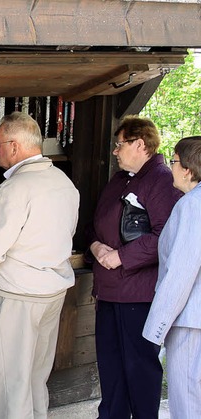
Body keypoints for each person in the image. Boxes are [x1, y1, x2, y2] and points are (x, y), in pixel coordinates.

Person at [0, 111, 80, 419]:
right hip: (52, 292)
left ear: (14, 146)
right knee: (35, 380)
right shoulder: (64, 183)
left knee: (10, 386)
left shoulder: (15, 189)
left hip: (17, 297)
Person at [86, 115, 182, 419]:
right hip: (109, 291)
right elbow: (96, 225)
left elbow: (165, 236)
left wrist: (122, 257)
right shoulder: (119, 180)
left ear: (140, 144)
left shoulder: (161, 179)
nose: (115, 152)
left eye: (120, 145)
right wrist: (96, 246)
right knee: (111, 367)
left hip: (139, 294)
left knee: (139, 369)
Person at [142, 136, 201, 418]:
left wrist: (155, 329)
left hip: (191, 322)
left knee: (187, 400)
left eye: (174, 162)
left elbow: (181, 271)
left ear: (188, 169)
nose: (170, 168)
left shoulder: (192, 205)